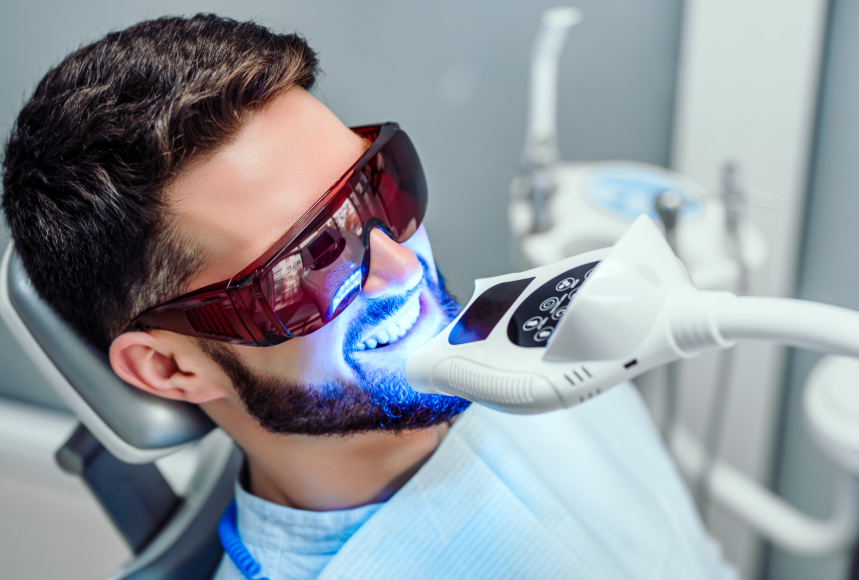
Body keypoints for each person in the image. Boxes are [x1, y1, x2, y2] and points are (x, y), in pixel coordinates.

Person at [2, 14, 738, 580]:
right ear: (171, 368)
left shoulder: (549, 338)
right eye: (310, 260)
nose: (403, 268)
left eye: (377, 188)